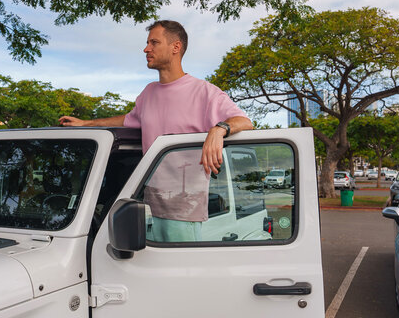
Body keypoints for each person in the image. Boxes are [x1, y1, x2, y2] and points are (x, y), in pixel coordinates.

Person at [59, 20, 253, 241]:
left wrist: (219, 130)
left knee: (180, 274)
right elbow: (129, 119)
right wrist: (86, 124)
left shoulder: (204, 92)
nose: (146, 49)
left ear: (175, 47)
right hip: (145, 210)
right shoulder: (148, 93)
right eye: (147, 43)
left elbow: (244, 121)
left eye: (154, 42)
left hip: (183, 213)